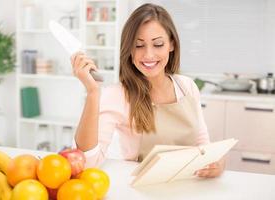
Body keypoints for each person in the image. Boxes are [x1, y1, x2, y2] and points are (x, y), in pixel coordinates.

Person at [70, 3, 225, 178]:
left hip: (187, 186)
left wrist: (216, 162)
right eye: (138, 45)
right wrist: (93, 92)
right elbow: (88, 162)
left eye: (158, 44)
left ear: (171, 44)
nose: (149, 55)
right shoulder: (117, 95)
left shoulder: (187, 87)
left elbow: (202, 145)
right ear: (129, 49)